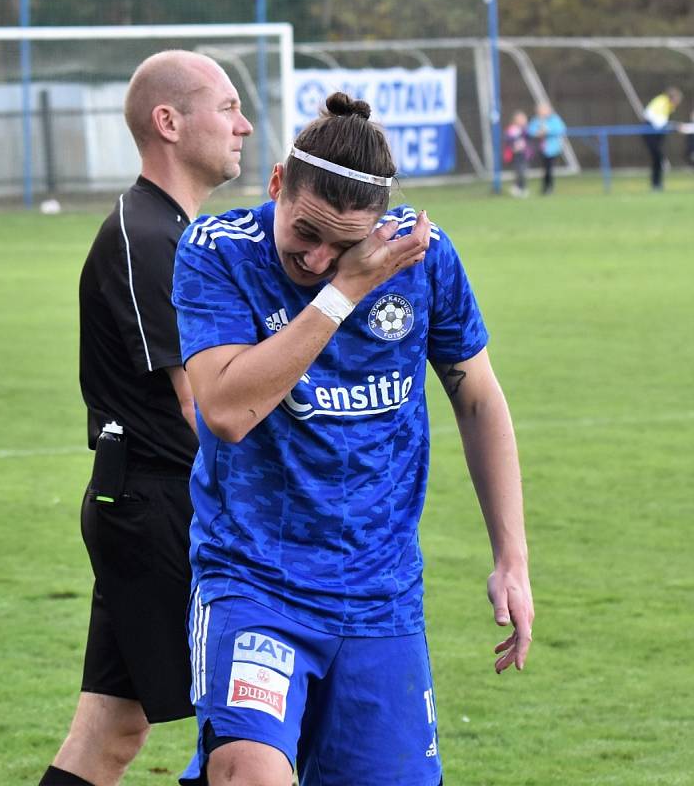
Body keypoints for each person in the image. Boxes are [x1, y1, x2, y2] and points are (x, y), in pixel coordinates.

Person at [173, 92, 534, 786]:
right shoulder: (217, 251)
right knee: (248, 772)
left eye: (343, 244)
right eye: (305, 231)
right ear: (277, 183)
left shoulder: (422, 260)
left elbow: (479, 400)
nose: (316, 258)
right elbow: (225, 410)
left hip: (380, 596)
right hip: (255, 584)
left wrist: (510, 560)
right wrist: (343, 291)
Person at [37, 50, 252, 786]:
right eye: (226, 108)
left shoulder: (175, 232)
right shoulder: (147, 236)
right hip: (159, 508)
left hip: (148, 503)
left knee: (109, 733)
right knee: (248, 729)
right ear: (169, 121)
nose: (243, 125)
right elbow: (200, 404)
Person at [642, 86, 683, 190]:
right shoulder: (663, 102)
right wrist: (675, 126)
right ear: (672, 98)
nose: (678, 103)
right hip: (650, 131)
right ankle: (658, 179)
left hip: (656, 131)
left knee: (656, 159)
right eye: (677, 100)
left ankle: (657, 184)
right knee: (657, 156)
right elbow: (659, 122)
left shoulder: (666, 103)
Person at [528, 101, 566, 195]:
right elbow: (530, 131)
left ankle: (548, 188)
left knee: (548, 169)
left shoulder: (554, 119)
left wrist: (547, 131)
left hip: (552, 149)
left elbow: (560, 129)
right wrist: (537, 133)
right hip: (539, 149)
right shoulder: (536, 120)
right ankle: (544, 188)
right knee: (544, 169)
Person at [504, 109, 530, 197]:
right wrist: (513, 147)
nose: (522, 121)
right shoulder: (512, 130)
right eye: (520, 119)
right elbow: (508, 140)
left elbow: (528, 138)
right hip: (515, 154)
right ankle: (519, 187)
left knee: (523, 171)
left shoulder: (525, 129)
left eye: (523, 119)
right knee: (519, 171)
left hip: (523, 154)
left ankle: (520, 187)